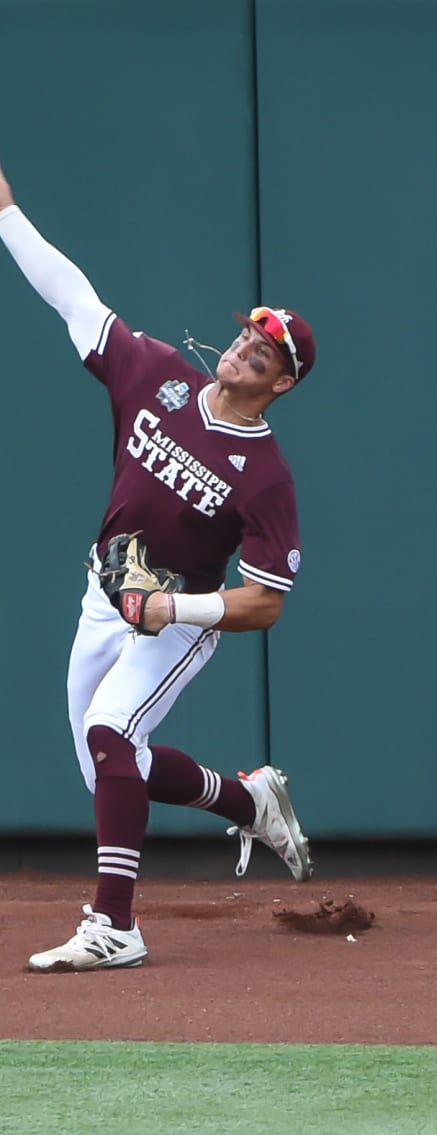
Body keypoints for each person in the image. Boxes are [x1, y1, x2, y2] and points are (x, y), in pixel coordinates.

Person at [0, 159, 315, 972]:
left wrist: (172, 614)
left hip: (177, 622)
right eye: (249, 332)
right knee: (114, 766)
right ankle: (250, 800)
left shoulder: (267, 476)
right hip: (105, 597)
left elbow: (264, 604)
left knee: (111, 734)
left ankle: (116, 927)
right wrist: (6, 214)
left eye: (267, 350)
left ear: (283, 383)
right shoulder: (158, 379)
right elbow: (76, 299)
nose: (249, 345)